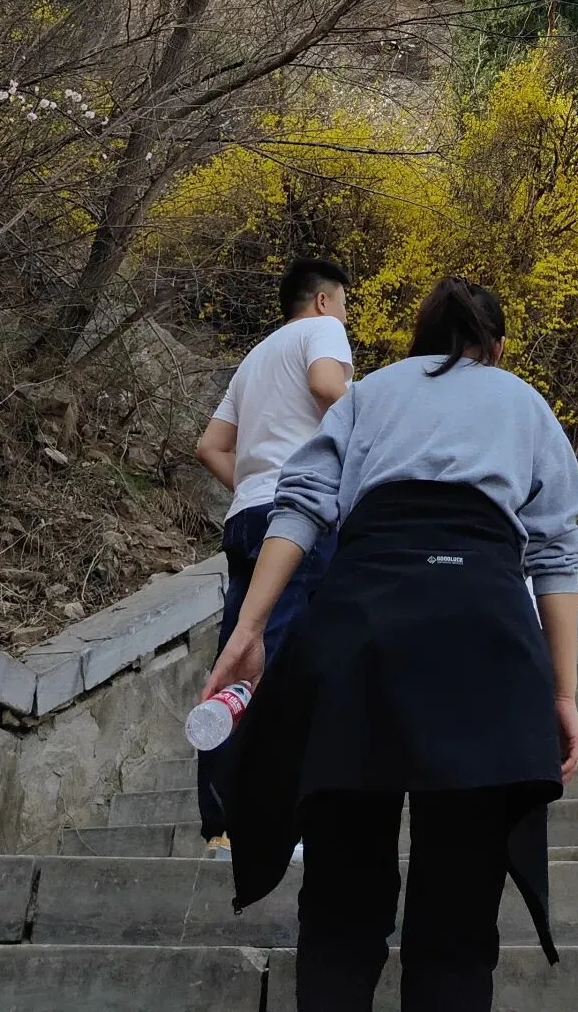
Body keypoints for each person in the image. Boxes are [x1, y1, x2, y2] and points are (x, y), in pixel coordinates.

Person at [200, 276, 578, 1012]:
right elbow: (555, 555)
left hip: (360, 632)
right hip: (484, 639)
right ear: (498, 347)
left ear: (418, 341)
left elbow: (300, 504)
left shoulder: (369, 394)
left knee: (341, 904)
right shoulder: (526, 403)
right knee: (459, 918)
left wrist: (248, 629)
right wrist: (562, 692)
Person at [193, 256, 354, 853]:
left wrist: (255, 485)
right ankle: (273, 822)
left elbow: (210, 446)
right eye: (343, 304)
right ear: (323, 300)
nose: (344, 318)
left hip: (247, 517)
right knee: (286, 663)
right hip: (300, 518)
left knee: (237, 658)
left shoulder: (254, 359)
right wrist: (373, 425)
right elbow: (326, 387)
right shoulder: (323, 330)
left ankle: (222, 824)